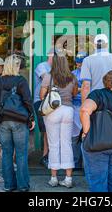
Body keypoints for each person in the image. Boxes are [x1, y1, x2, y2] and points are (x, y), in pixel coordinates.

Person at [0, 55, 35, 192]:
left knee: (6, 153)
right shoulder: (21, 81)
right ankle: (23, 186)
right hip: (19, 121)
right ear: (16, 66)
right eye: (18, 65)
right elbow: (28, 101)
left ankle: (9, 185)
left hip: (3, 121)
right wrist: (31, 118)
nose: (20, 68)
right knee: (21, 154)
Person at [40, 51, 78, 188]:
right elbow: (74, 94)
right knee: (67, 143)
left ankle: (54, 178)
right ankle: (68, 179)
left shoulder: (49, 76)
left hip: (53, 112)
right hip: (68, 110)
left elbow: (41, 95)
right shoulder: (72, 77)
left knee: (53, 143)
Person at [33, 48, 54, 167]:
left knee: (50, 129)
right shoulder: (42, 66)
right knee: (45, 130)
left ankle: (50, 156)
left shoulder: (57, 69)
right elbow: (48, 80)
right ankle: (45, 156)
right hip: (41, 101)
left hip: (54, 101)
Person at [71, 51, 87, 170]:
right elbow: (71, 90)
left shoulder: (90, 72)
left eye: (81, 62)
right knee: (75, 137)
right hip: (75, 106)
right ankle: (76, 163)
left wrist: (80, 89)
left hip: (88, 106)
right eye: (77, 62)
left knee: (86, 136)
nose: (79, 64)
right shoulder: (73, 74)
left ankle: (85, 164)